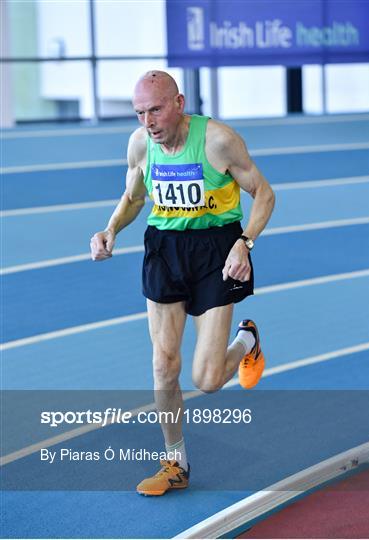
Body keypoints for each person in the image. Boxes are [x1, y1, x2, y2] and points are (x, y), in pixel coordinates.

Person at [90, 70, 275, 496]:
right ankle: (176, 462)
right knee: (163, 363)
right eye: (139, 113)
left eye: (155, 110)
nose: (148, 122)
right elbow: (135, 197)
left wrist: (244, 243)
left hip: (216, 251)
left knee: (207, 379)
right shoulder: (141, 144)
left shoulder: (218, 140)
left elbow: (264, 193)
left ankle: (248, 342)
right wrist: (111, 229)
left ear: (179, 102)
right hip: (165, 249)